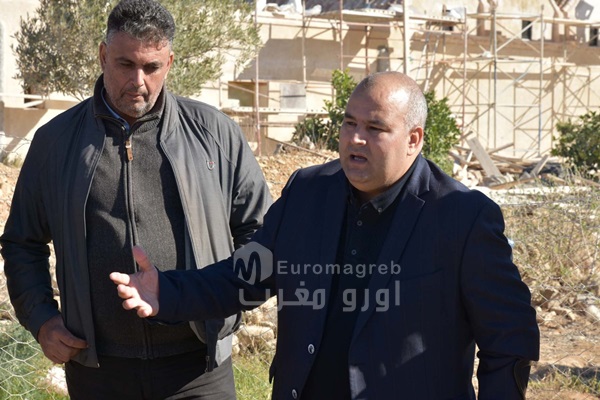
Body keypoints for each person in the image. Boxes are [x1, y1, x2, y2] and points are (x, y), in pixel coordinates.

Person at [111, 71, 540, 399]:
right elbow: (244, 276)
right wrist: (168, 291)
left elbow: (509, 336)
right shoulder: (308, 191)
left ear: (413, 139)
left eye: (375, 129)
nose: (355, 139)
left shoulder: (462, 216)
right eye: (349, 123)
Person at [1, 0, 271, 398]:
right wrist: (42, 319)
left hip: (199, 370)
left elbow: (262, 233)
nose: (138, 81)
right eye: (125, 64)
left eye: (152, 67)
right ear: (103, 55)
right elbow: (22, 242)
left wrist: (219, 304)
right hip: (99, 372)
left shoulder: (216, 134)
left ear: (170, 63)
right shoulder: (55, 142)